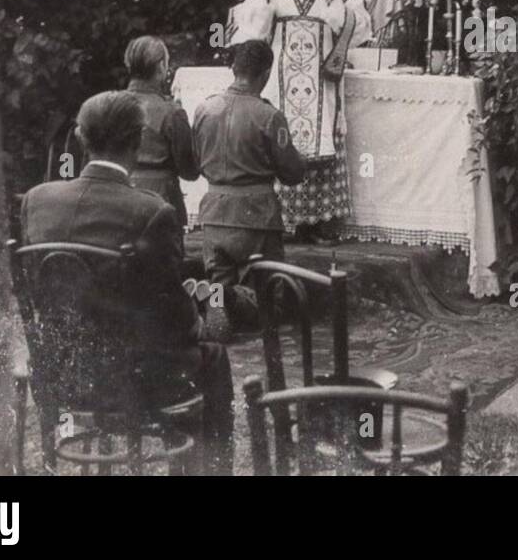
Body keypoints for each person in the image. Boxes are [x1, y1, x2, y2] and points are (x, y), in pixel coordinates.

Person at [19, 91, 234, 475]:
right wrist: (205, 317)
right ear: (137, 142)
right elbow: (176, 321)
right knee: (211, 355)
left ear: (83, 139)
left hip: (62, 372)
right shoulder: (152, 211)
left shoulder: (37, 201)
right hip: (136, 381)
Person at [232, 0, 372, 244]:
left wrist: (333, 10)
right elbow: (252, 29)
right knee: (281, 143)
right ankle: (282, 221)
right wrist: (264, 3)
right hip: (281, 80)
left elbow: (362, 28)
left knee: (321, 144)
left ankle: (319, 224)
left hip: (322, 80)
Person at [192, 40, 317, 330]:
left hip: (214, 213)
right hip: (257, 215)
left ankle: (216, 297)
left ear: (234, 69)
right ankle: (230, 299)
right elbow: (292, 173)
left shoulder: (204, 109)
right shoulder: (270, 116)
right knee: (268, 298)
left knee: (219, 274)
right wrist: (303, 161)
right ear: (266, 74)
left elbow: (196, 161)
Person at [124, 35, 199, 233]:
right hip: (160, 201)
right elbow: (189, 170)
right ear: (160, 67)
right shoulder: (171, 112)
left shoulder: (107, 105)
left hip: (118, 195)